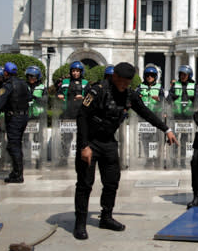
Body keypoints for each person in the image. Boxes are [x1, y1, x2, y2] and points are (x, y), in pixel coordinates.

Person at [74, 62, 178, 240]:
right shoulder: (98, 91)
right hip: (90, 142)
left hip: (108, 142)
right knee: (85, 184)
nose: (124, 86)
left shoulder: (130, 95)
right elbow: (82, 116)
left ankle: (106, 217)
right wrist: (84, 146)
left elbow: (145, 112)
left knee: (112, 181)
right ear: (114, 77)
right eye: (121, 82)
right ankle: (80, 223)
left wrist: (166, 129)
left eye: (127, 83)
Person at [0, 61, 31, 183]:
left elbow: (0, 102)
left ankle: (18, 174)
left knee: (14, 145)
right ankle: (16, 171)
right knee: (15, 145)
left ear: (6, 73)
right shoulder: (24, 84)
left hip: (14, 118)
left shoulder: (8, 85)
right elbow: (29, 97)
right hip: (23, 117)